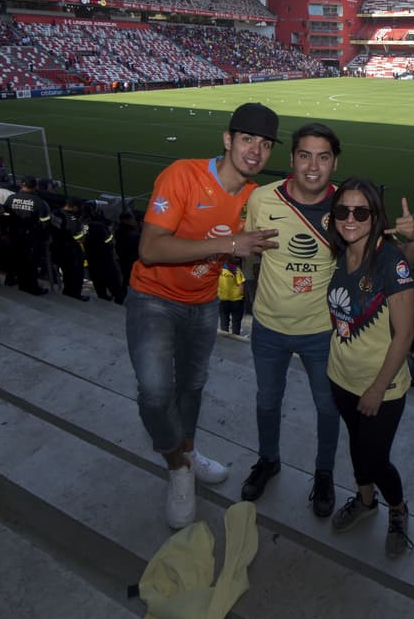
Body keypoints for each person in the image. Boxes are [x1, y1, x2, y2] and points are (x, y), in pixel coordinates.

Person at [239, 122, 414, 519]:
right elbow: (250, 254)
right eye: (304, 155)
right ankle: (268, 460)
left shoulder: (348, 209)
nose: (313, 166)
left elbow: (394, 265)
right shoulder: (261, 199)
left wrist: (413, 240)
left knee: (327, 409)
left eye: (323, 157)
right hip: (268, 328)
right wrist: (254, 292)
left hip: (322, 333)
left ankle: (323, 474)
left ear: (334, 162)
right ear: (292, 158)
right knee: (267, 402)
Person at [125, 102, 281, 529]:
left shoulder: (254, 198)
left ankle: (189, 452)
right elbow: (150, 249)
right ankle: (178, 465)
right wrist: (230, 245)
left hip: (203, 302)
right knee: (155, 395)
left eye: (265, 144)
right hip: (153, 298)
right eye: (247, 139)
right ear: (228, 140)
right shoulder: (183, 175)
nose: (256, 150)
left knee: (192, 387)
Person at [324, 177, 414, 558]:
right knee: (356, 444)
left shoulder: (389, 261)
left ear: (375, 217)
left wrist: (377, 388)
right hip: (340, 377)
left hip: (382, 387)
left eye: (361, 212)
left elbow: (405, 335)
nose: (350, 219)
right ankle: (365, 501)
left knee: (376, 459)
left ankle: (397, 508)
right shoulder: (339, 253)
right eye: (342, 210)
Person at [2, 176, 51, 295]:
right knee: (31, 263)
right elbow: (45, 223)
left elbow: (4, 217)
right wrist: (45, 238)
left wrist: (4, 233)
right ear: (35, 187)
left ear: (21, 185)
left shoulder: (11, 198)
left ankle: (16, 281)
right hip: (31, 237)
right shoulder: (39, 202)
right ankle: (33, 287)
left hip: (14, 234)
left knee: (17, 259)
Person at [83, 201, 123, 302]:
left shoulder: (84, 225)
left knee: (98, 284)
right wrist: (111, 232)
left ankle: (104, 298)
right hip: (105, 260)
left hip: (92, 259)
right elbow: (108, 243)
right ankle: (119, 301)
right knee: (115, 285)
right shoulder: (98, 227)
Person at [50, 196, 89, 301]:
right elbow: (79, 238)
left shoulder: (55, 213)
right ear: (75, 207)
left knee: (66, 273)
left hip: (56, 247)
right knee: (76, 273)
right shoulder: (73, 220)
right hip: (70, 250)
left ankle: (67, 291)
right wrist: (84, 232)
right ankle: (75, 294)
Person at [216, 256, 246, 339]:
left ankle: (225, 339)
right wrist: (243, 296)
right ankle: (235, 339)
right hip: (236, 300)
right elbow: (241, 286)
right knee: (236, 322)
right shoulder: (236, 269)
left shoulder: (217, 269)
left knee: (224, 321)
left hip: (222, 299)